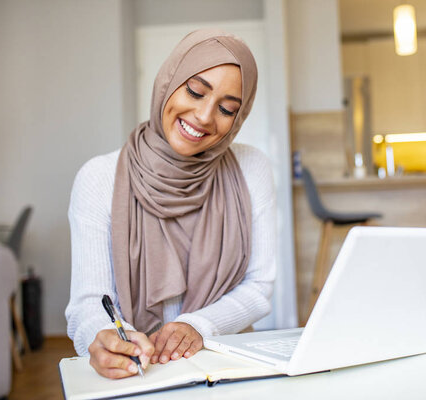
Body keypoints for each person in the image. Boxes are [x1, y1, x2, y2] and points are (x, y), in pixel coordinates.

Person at [65, 29, 276, 379]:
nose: (205, 116)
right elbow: (89, 303)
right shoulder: (98, 178)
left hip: (225, 369)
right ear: (168, 81)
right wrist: (99, 336)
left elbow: (259, 287)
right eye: (195, 90)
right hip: (139, 374)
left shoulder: (251, 168)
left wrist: (198, 326)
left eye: (227, 109)